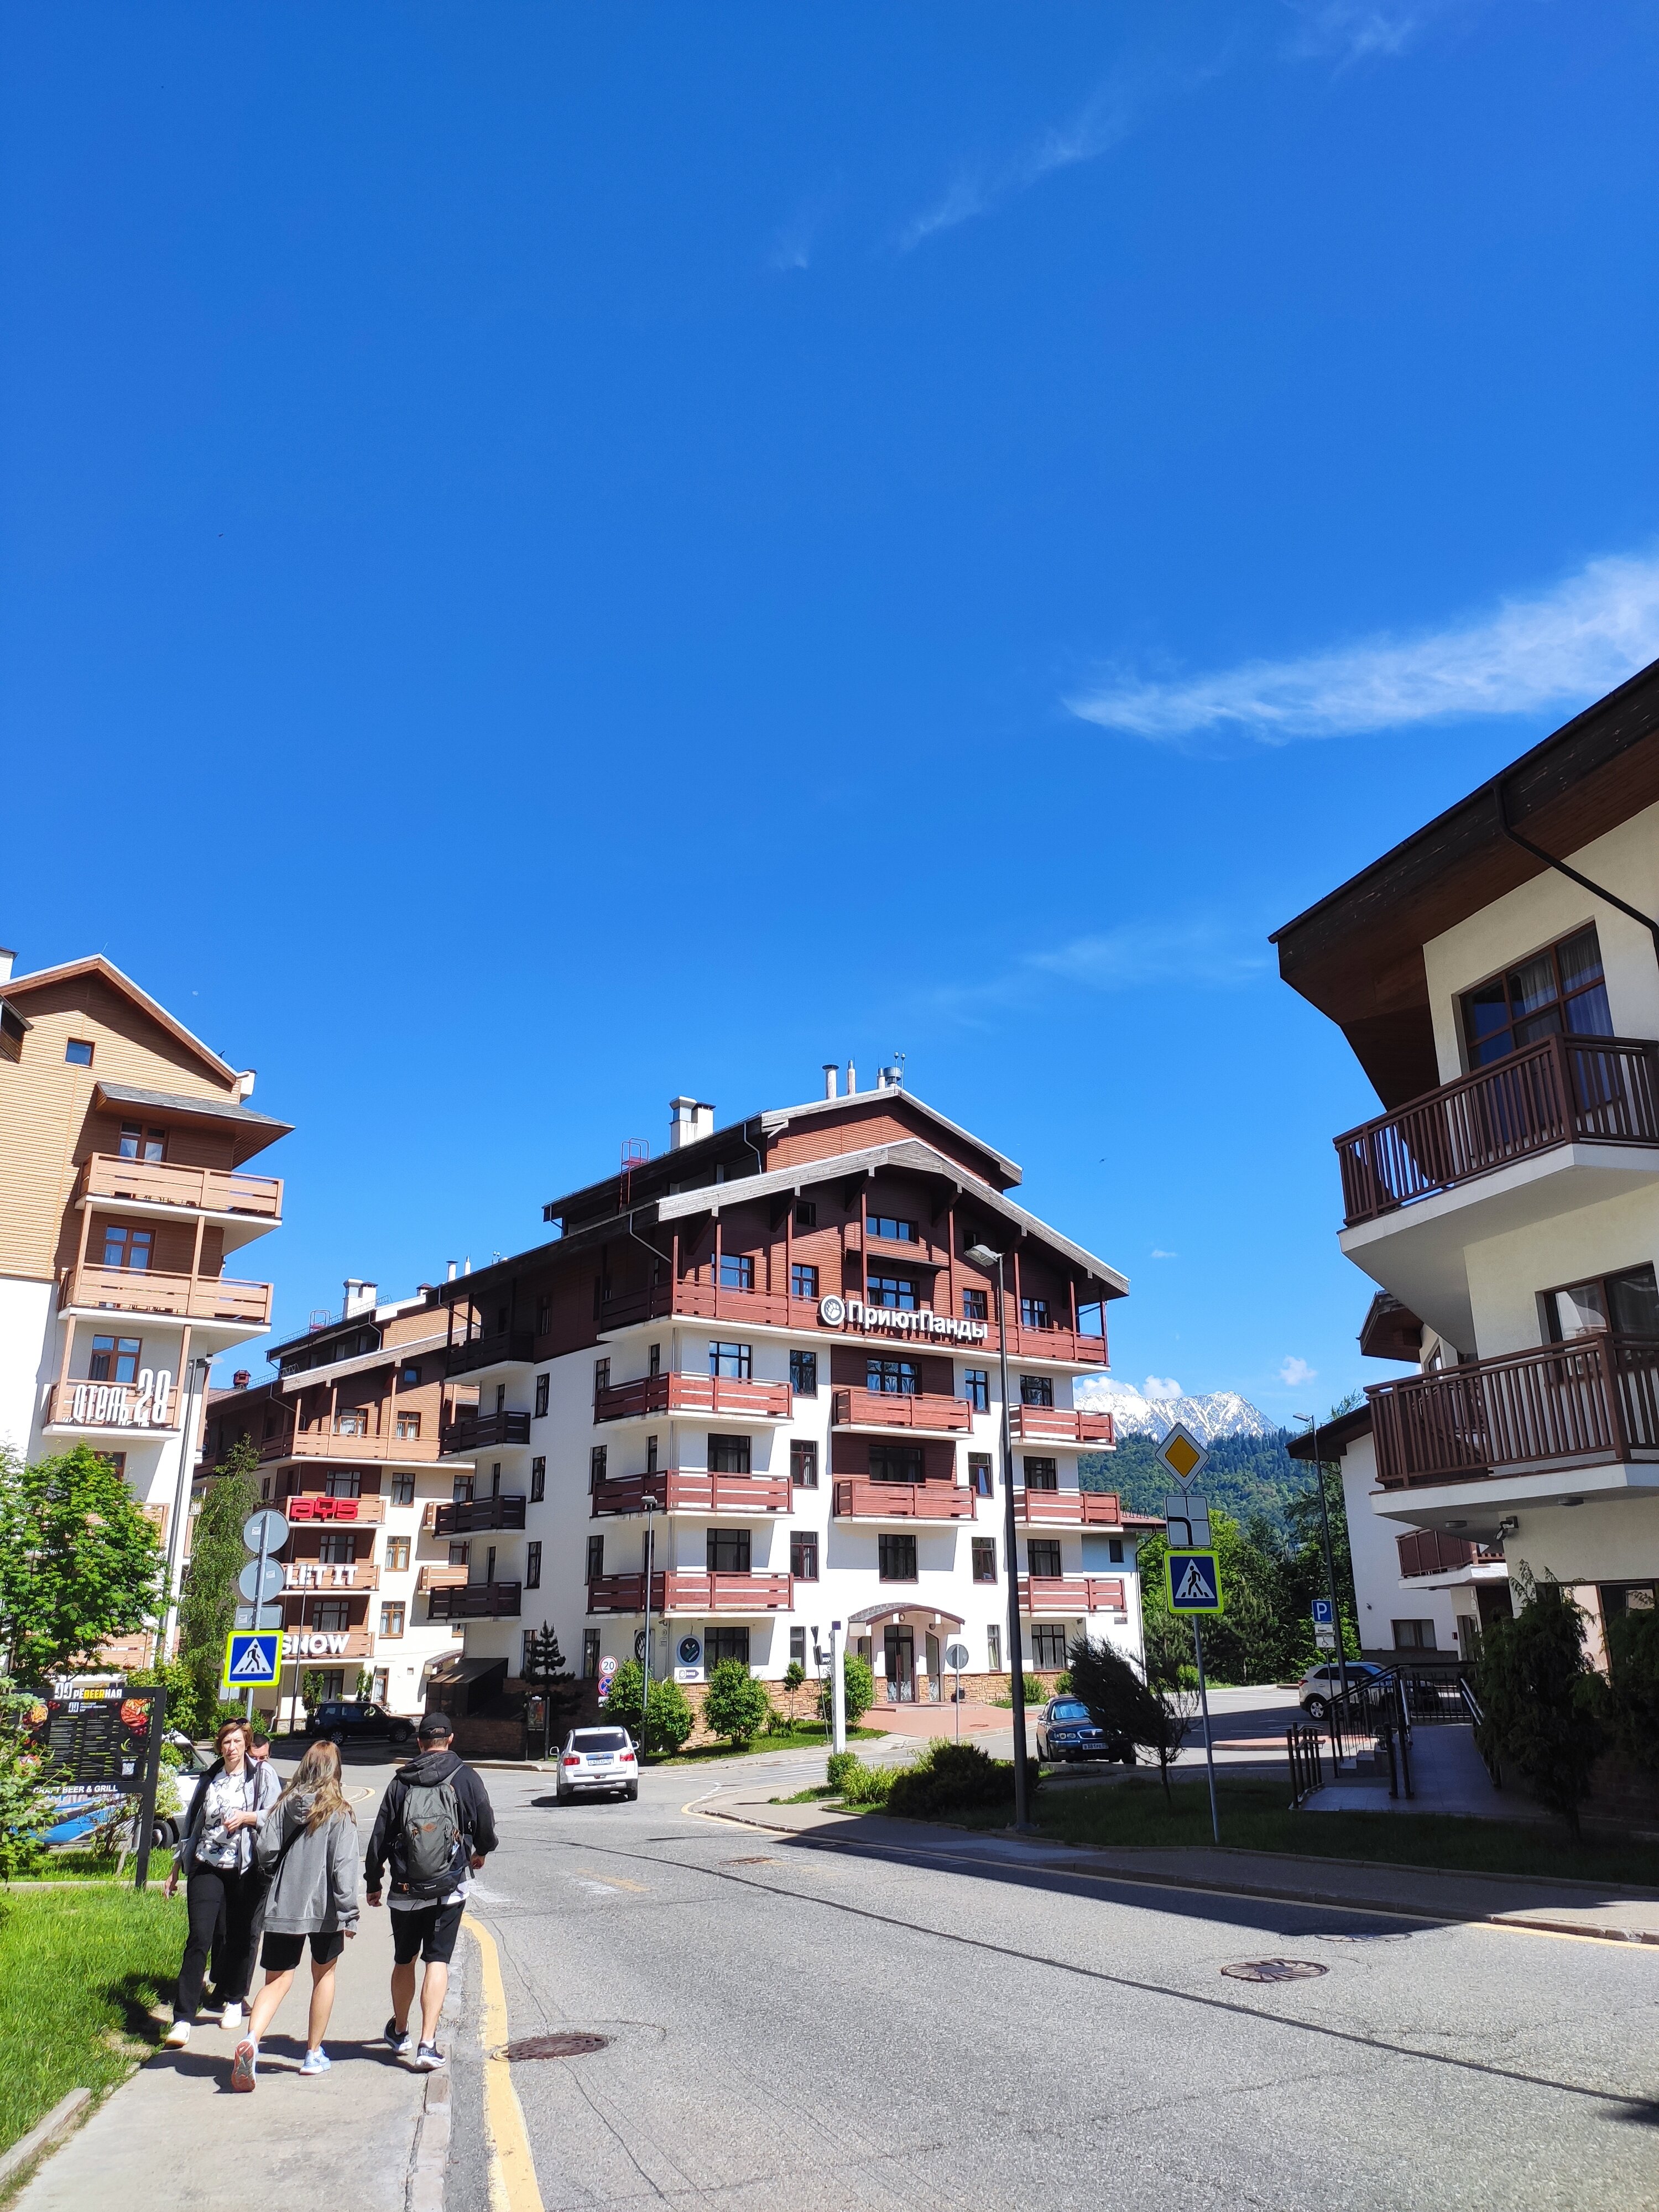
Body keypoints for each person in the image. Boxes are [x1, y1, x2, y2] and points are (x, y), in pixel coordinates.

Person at [364, 1712, 497, 2070]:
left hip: (406, 1888)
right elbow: (485, 1825)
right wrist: (481, 1851)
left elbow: (380, 1837)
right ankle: (427, 2044)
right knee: (437, 1960)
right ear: (450, 1739)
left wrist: (374, 1881)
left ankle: (400, 2031)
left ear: (419, 1742)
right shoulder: (465, 1777)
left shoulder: (400, 1782)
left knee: (404, 1959)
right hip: (449, 1887)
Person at [230, 1740, 360, 2090]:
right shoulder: (340, 1813)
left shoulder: (284, 1805)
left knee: (276, 1980)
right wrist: (350, 1913)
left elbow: (265, 1850)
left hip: (284, 1905)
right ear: (335, 1770)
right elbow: (344, 1867)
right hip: (325, 1910)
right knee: (324, 1975)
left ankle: (252, 2039)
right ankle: (313, 2054)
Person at [164, 1718, 281, 2046]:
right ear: (220, 1746)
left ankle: (233, 1999)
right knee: (199, 1937)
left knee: (240, 1936)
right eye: (227, 1742)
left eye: (238, 1742)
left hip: (245, 1867)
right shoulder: (210, 1777)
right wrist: (177, 1866)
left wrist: (248, 1818)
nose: (232, 1748)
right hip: (206, 1865)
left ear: (246, 1744)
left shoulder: (262, 1775)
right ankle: (182, 2018)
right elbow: (193, 1823)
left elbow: (276, 1814)